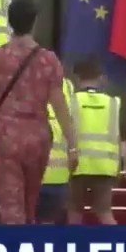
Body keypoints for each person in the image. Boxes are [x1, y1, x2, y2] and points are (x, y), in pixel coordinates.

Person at [0, 0, 76, 225]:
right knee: (29, 206)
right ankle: (28, 250)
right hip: (38, 136)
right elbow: (59, 103)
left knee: (11, 208)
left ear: (10, 22)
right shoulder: (49, 60)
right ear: (34, 23)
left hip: (4, 136)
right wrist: (72, 144)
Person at [67, 57, 124, 226]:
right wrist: (118, 167)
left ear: (77, 78)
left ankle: (74, 249)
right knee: (105, 212)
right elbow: (117, 136)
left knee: (75, 211)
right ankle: (117, 247)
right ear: (101, 77)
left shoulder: (71, 101)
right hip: (105, 166)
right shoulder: (113, 103)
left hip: (77, 165)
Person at [38, 75, 77, 225]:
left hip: (33, 170)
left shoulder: (21, 80)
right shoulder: (67, 86)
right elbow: (72, 121)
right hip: (58, 172)